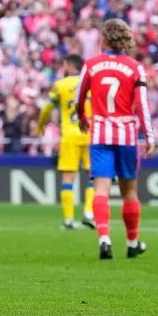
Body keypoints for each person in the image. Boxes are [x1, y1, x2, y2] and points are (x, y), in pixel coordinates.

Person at [77, 19, 156, 261]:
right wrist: (149, 135)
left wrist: (82, 118)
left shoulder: (91, 65)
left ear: (104, 39)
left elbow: (80, 97)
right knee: (129, 192)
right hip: (127, 136)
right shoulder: (135, 68)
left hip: (100, 133)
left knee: (101, 190)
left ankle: (104, 239)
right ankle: (132, 243)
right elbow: (142, 104)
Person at [36, 54, 95, 230]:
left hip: (69, 136)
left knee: (68, 178)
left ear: (69, 66)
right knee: (94, 175)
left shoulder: (61, 85)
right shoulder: (92, 83)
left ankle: (68, 220)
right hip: (90, 134)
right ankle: (88, 213)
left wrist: (40, 127)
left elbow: (46, 109)